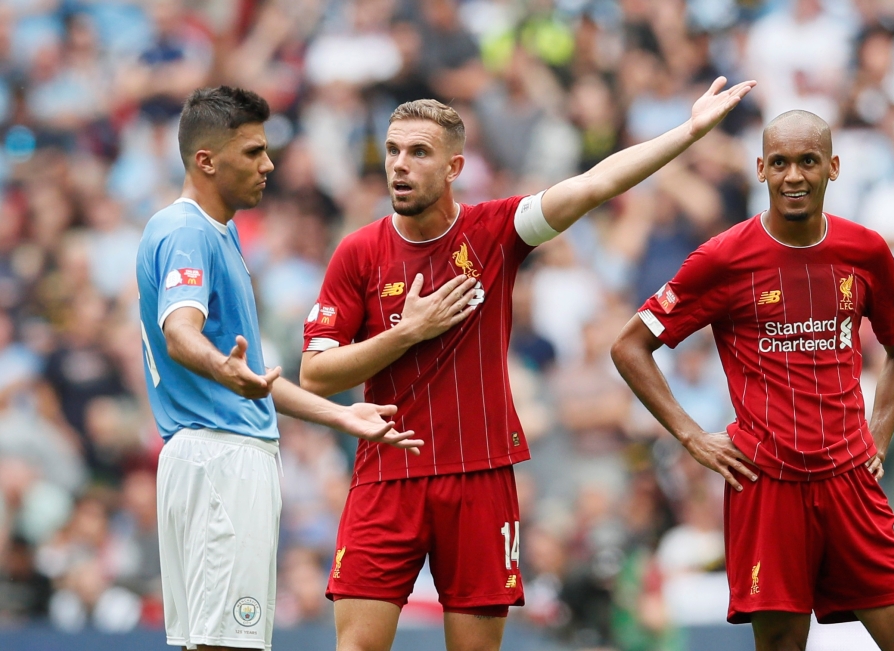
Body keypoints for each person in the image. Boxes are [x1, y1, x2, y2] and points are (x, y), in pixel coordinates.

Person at [298, 76, 755, 651]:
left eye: (418, 152)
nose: (400, 165)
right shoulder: (358, 251)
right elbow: (315, 374)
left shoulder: (495, 230)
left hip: (480, 476)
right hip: (387, 473)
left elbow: (595, 184)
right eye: (393, 150)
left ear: (454, 166)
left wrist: (687, 132)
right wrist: (406, 333)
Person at [611, 110, 894, 651]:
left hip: (850, 481)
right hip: (766, 483)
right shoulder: (723, 258)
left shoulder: (865, 251)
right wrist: (690, 435)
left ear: (833, 167)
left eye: (808, 161)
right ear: (761, 169)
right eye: (781, 163)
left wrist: (878, 436)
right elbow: (630, 345)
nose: (794, 176)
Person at [136, 86, 421, 651]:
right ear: (206, 160)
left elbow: (258, 379)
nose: (268, 165)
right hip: (223, 460)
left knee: (211, 642)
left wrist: (341, 416)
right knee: (230, 645)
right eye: (253, 152)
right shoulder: (189, 231)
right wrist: (224, 368)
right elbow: (180, 334)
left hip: (203, 455)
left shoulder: (212, 231)